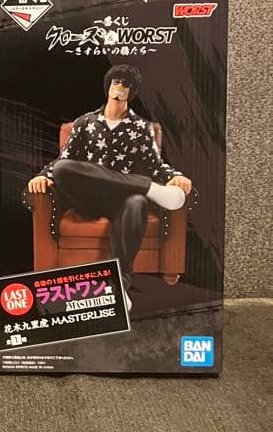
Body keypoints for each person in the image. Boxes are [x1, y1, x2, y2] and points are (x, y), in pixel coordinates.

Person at [27, 64, 192, 309]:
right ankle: (147, 187)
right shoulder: (85, 122)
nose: (120, 89)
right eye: (117, 83)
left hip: (123, 199)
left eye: (126, 85)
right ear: (108, 86)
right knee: (63, 169)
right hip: (89, 198)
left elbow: (155, 165)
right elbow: (65, 159)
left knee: (137, 202)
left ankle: (118, 286)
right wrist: (43, 176)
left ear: (132, 92)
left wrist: (175, 177)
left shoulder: (141, 128)